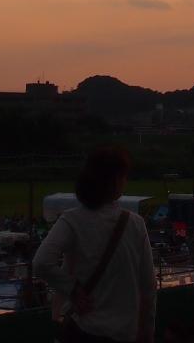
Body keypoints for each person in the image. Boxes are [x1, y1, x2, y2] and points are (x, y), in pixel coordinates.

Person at [33, 146, 156, 343]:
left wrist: (73, 290)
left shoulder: (71, 220)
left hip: (83, 330)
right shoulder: (136, 224)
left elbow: (41, 262)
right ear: (116, 180)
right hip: (124, 334)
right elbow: (148, 287)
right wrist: (147, 331)